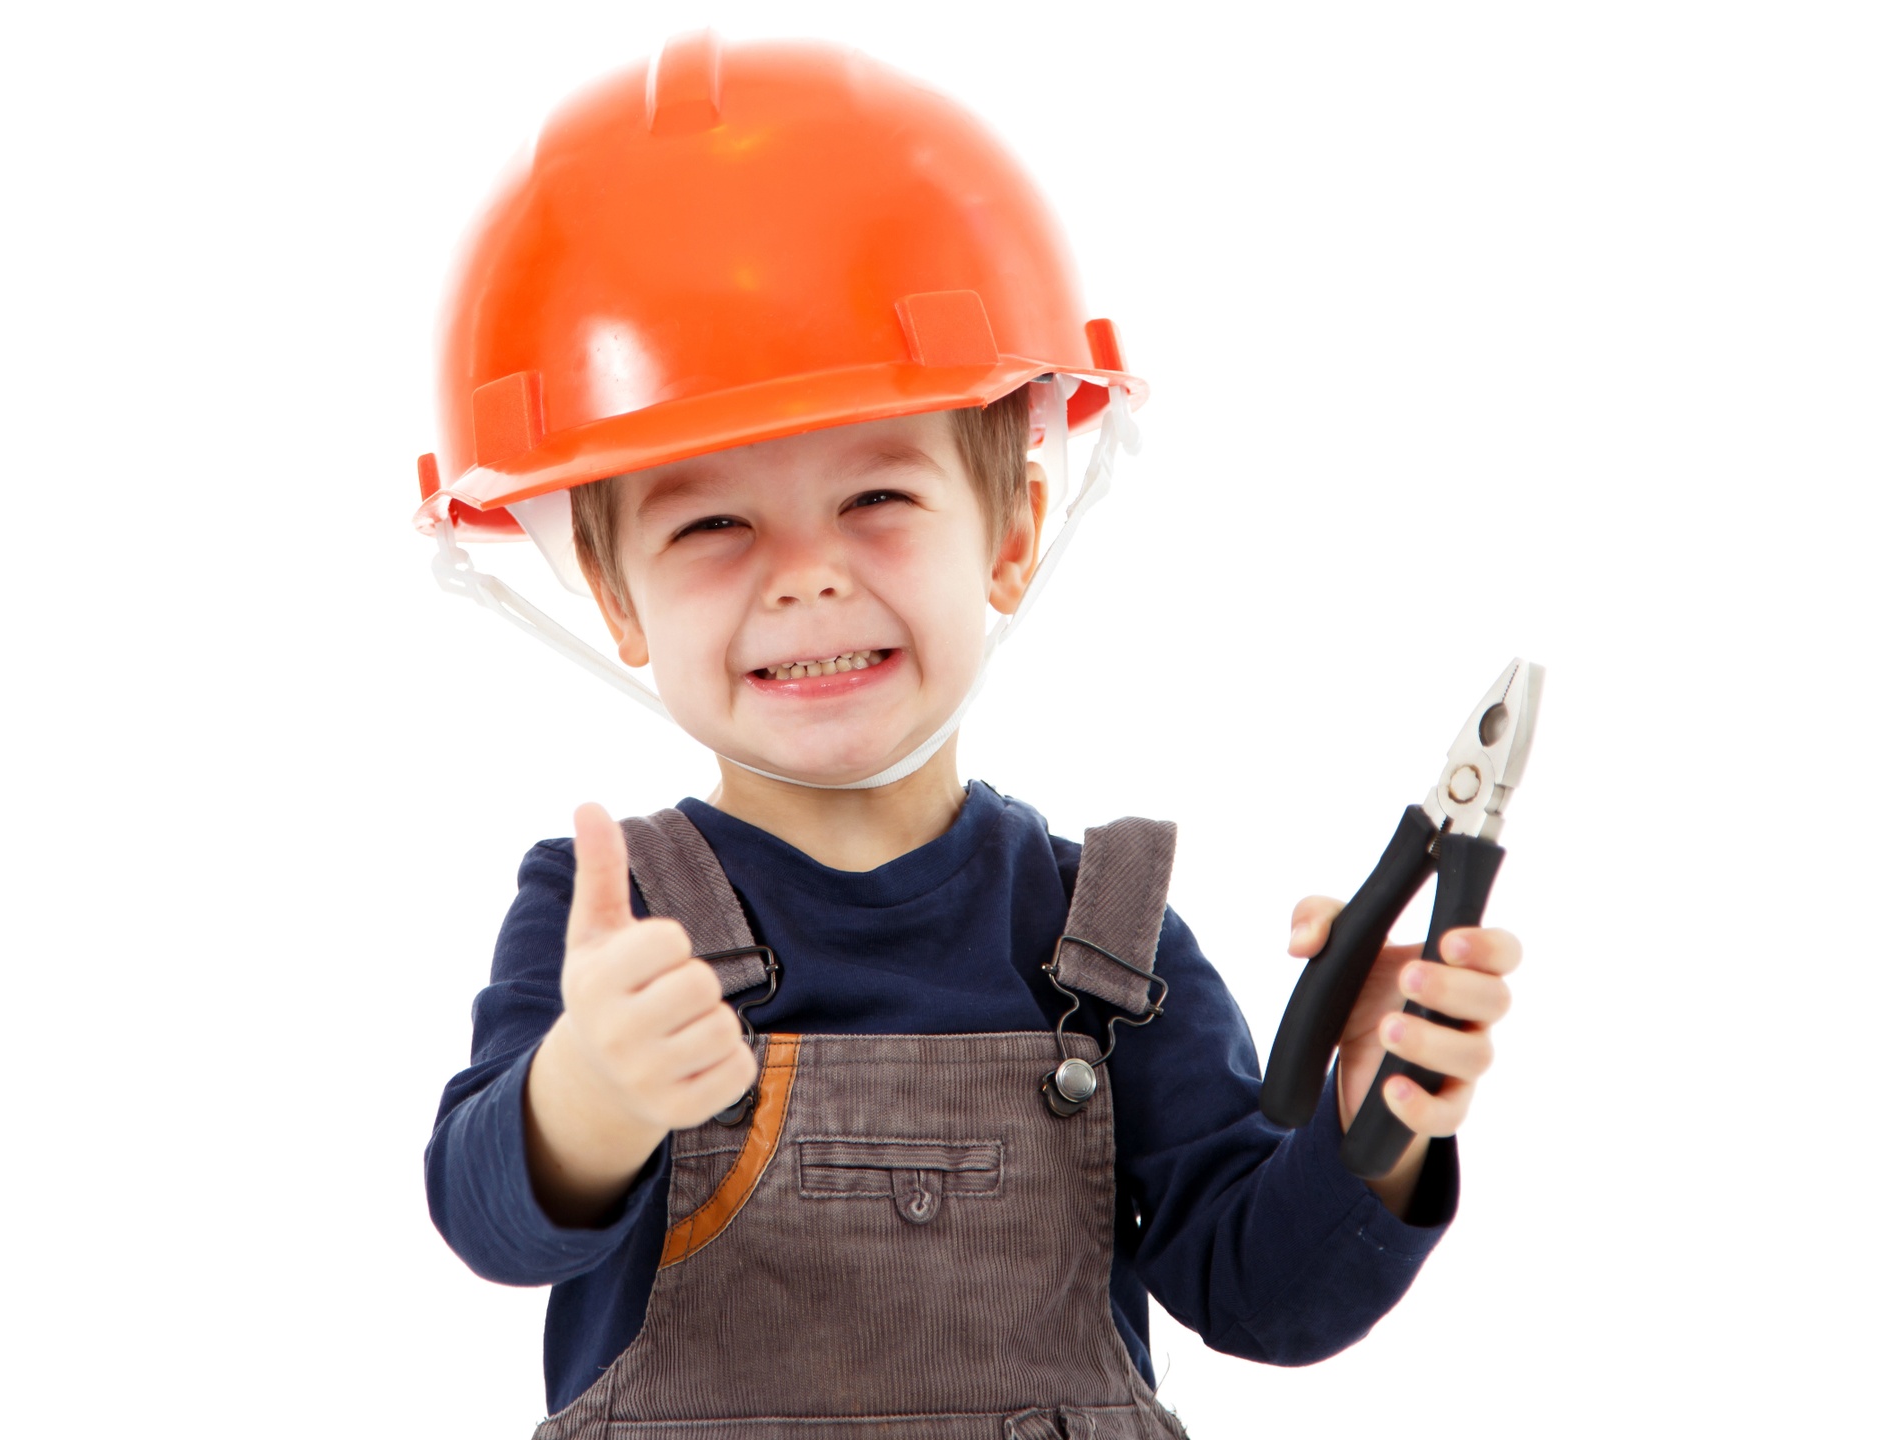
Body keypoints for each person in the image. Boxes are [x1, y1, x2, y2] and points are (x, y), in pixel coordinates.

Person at [417, 34, 1524, 1440]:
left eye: (877, 496)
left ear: (1008, 536)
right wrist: (588, 1090)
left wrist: (1384, 1122)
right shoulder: (614, 929)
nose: (805, 574)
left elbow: (1267, 1297)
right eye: (711, 524)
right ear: (615, 599)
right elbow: (488, 1220)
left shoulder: (1102, 940)